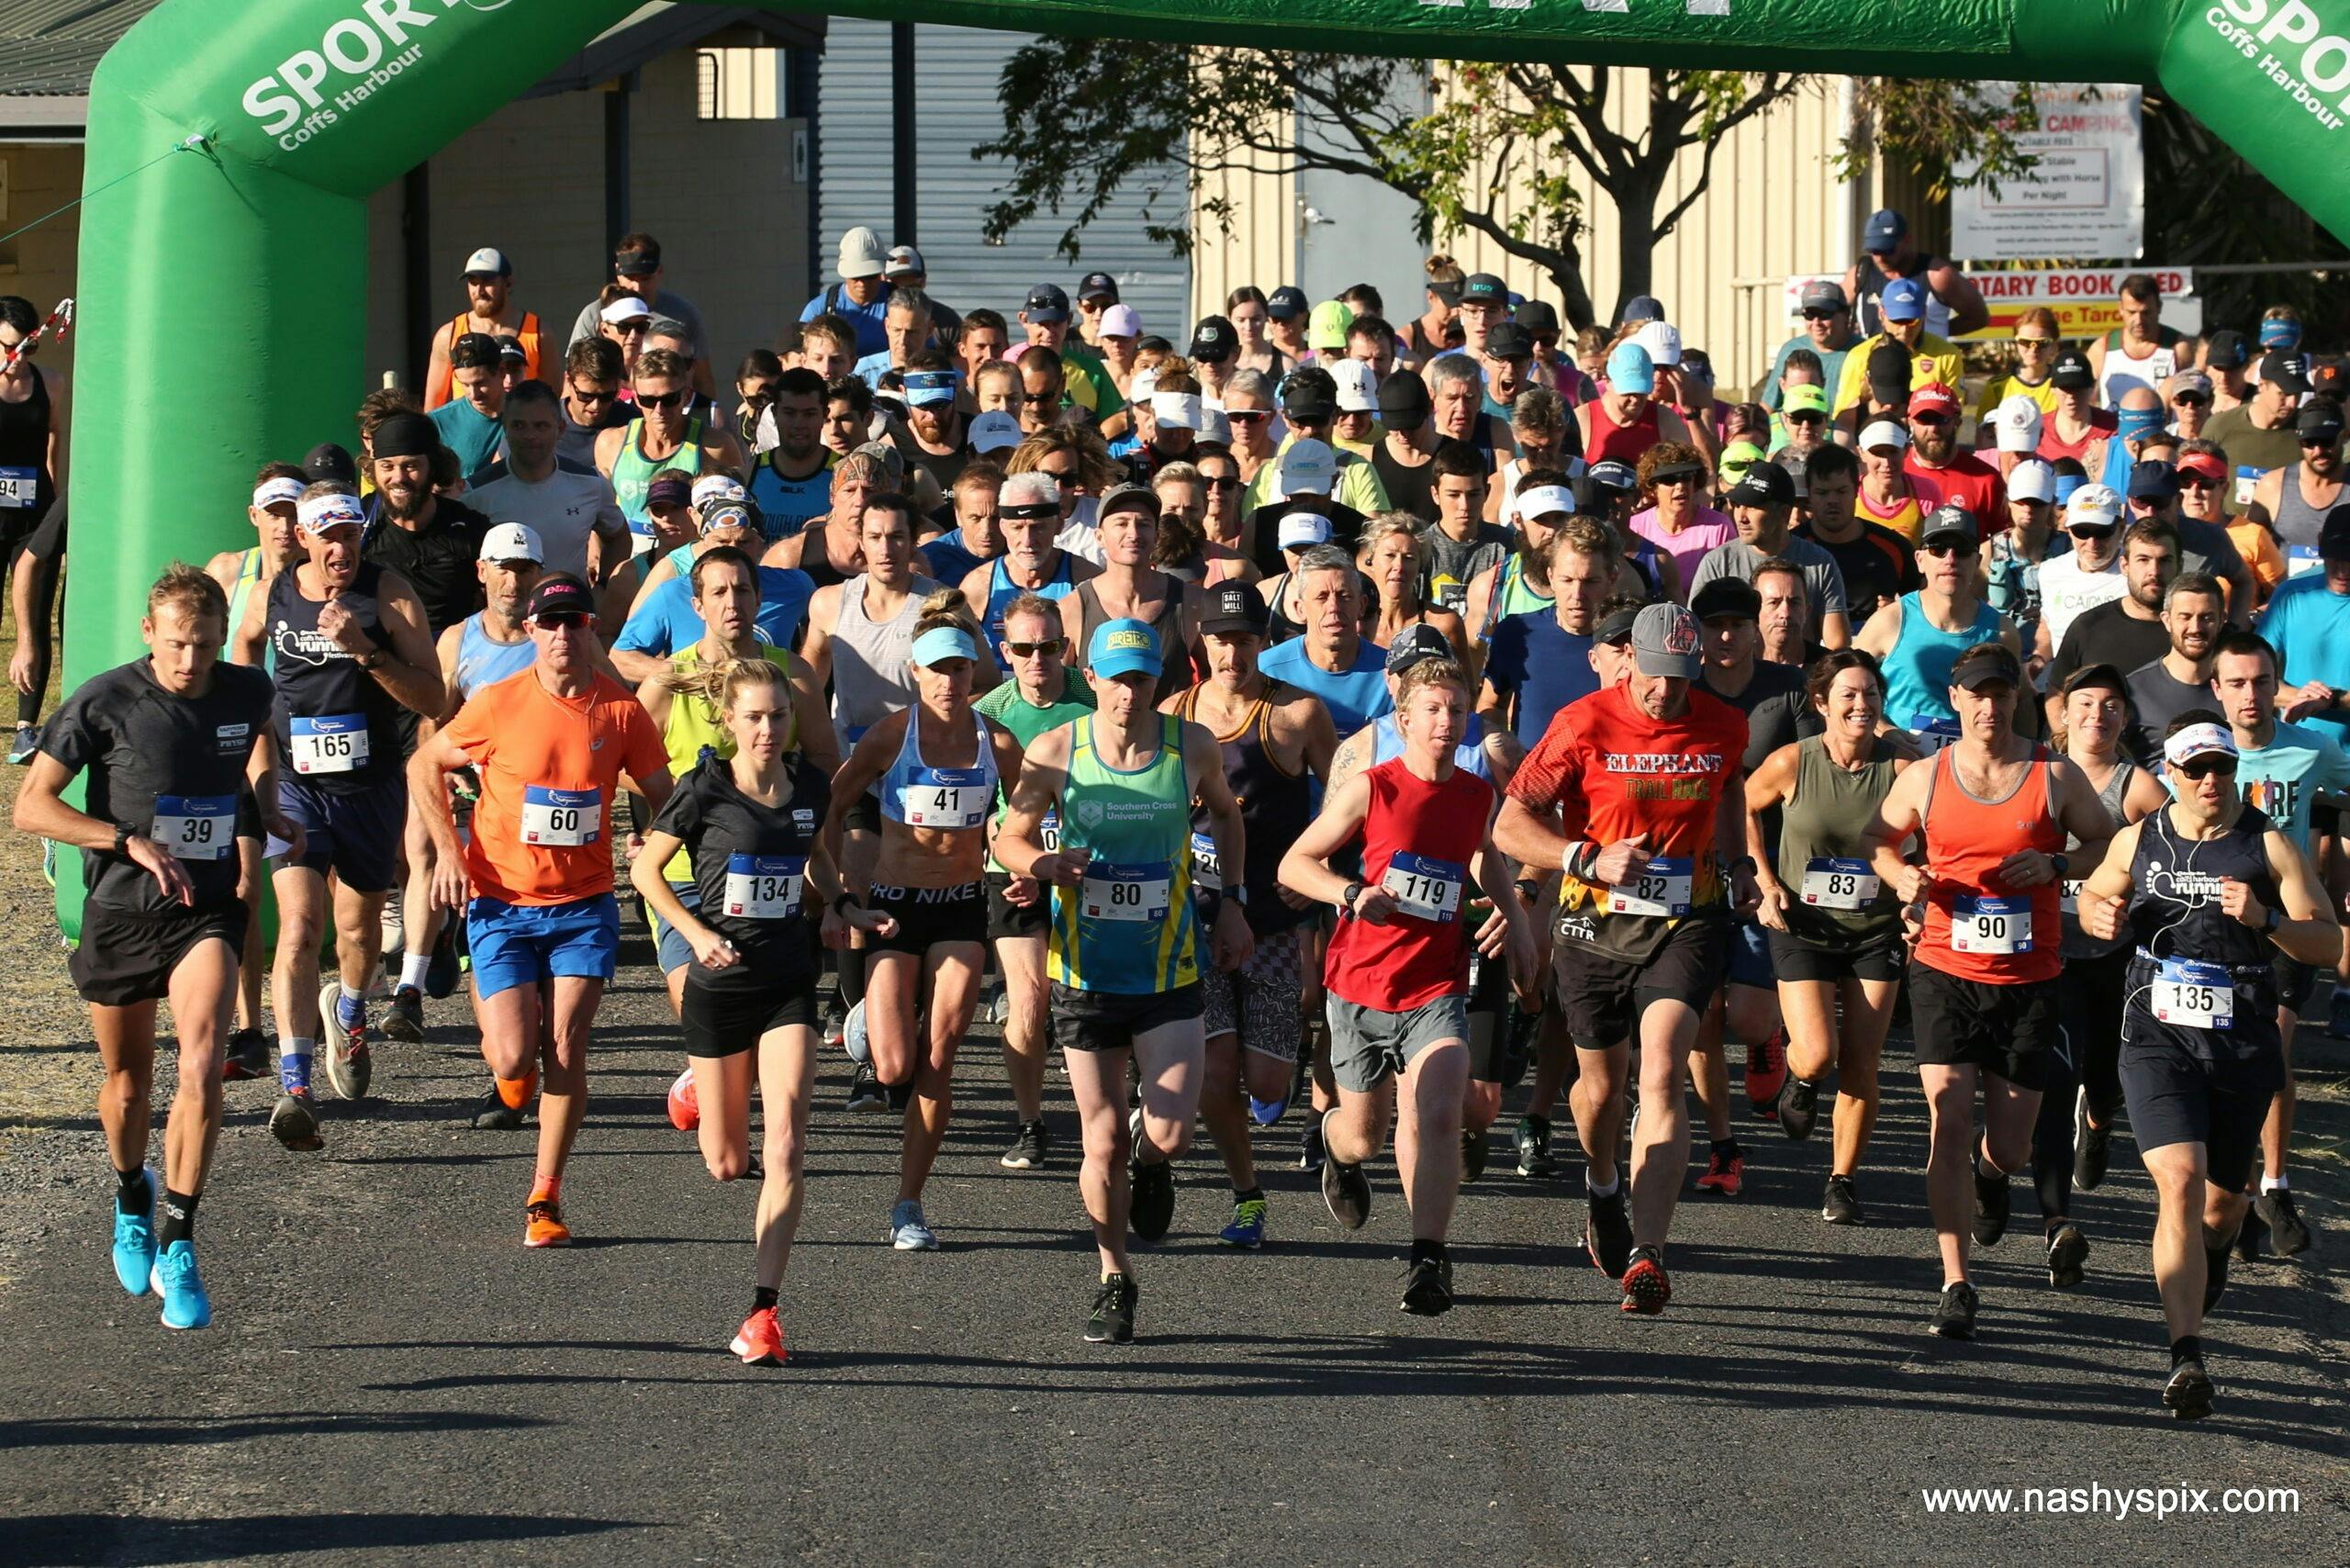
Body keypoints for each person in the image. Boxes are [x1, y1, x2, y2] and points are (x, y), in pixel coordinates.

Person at [16, 566, 297, 1329]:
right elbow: (31, 808)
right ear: (149, 633)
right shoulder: (105, 700)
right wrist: (125, 841)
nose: (190, 661)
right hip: (120, 913)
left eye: (204, 645)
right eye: (176, 644)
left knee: (201, 1062)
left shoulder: (246, 690)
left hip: (203, 910)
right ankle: (130, 1192)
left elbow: (257, 748)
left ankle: (179, 1237)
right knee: (128, 1087)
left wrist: (268, 807)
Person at [1494, 602, 1760, 1314]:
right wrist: (1585, 857)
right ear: (1630, 660)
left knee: (1664, 1071)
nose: (1665, 690)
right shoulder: (1583, 723)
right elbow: (1511, 825)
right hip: (1594, 926)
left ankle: (1649, 1251)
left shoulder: (1724, 725)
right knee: (1602, 1093)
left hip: (1686, 922)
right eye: (1653, 674)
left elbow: (1729, 788)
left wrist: (1737, 863)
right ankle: (1603, 1183)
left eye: (1680, 677)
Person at [993, 618, 1252, 1342]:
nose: (1128, 694)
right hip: (1086, 972)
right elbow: (1009, 835)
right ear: (1093, 678)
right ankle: (1115, 1276)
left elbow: (1228, 818)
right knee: (1098, 1141)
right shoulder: (1056, 750)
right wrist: (1041, 864)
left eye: (1140, 680)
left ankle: (1152, 1158)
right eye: (1116, 680)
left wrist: (1233, 902)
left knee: (1171, 1133)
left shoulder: (1191, 746)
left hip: (1168, 968)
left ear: (1155, 682)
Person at [2076, 715, 2339, 1417]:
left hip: (2240, 1044)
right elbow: (2095, 892)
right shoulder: (2141, 838)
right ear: (2171, 774)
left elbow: (2328, 943)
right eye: (2195, 769)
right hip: (2156, 1036)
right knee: (2181, 1180)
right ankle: (2186, 1355)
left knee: (2221, 1208)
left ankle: (2215, 1254)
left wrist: (2268, 921)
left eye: (2221, 766)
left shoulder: (2267, 844)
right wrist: (2097, 914)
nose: (2210, 780)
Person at [409, 574, 675, 1247]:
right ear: (530, 631)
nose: (562, 634)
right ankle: (510, 1074)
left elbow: (666, 797)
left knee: (567, 1046)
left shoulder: (621, 711)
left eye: (574, 621)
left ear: (591, 629)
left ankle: (545, 1195)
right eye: (549, 622)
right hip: (501, 902)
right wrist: (449, 853)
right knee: (510, 1056)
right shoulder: (497, 703)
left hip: (583, 906)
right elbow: (423, 765)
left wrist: (655, 838)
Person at [1862, 642, 2114, 1338]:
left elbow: (2106, 845)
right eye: (1977, 694)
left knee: (2011, 1145)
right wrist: (1899, 873)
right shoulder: (1926, 776)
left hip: (2029, 981)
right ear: (1956, 700)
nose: (1989, 707)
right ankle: (1956, 1281)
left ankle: (1992, 1175)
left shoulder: (2054, 774)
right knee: (1947, 1118)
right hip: (1944, 970)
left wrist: (2057, 864)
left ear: (2016, 700)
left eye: (2001, 694)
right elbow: (1877, 837)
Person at [1280, 655, 1535, 1314]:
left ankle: (1429, 1258)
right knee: (1365, 1134)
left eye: (1457, 710)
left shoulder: (1476, 793)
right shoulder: (1373, 788)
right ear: (1404, 719)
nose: (1447, 721)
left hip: (1435, 987)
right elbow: (1295, 863)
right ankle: (1337, 1148)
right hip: (1361, 984)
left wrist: (1516, 922)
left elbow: (1483, 852)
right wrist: (1349, 893)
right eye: (1433, 709)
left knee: (1440, 1111)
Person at [632, 657, 859, 1366]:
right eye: (754, 717)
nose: (767, 729)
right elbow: (643, 870)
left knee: (786, 1144)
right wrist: (695, 933)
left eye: (779, 716)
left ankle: (764, 1313)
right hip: (720, 987)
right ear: (729, 720)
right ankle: (696, 1089)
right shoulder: (704, 788)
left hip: (788, 981)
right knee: (729, 1163)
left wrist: (843, 903)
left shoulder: (810, 786)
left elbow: (815, 857)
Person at [229, 485, 442, 1137]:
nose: (341, 549)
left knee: (357, 931)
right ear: (303, 539)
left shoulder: (389, 595)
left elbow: (434, 698)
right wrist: (256, 742)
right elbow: (243, 654)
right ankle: (295, 1086)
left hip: (370, 788)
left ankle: (349, 1012)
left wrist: (365, 651)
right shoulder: (271, 594)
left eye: (351, 535)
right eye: (328, 537)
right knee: (298, 927)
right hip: (297, 785)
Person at [822, 593, 1026, 1249]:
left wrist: (1023, 863)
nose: (948, 682)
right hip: (896, 910)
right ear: (915, 672)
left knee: (939, 1055)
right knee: (891, 1068)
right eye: (936, 670)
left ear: (973, 673)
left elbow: (1026, 817)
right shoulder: (892, 735)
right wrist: (836, 888)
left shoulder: (998, 742)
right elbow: (834, 805)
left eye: (959, 669)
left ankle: (909, 1203)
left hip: (961, 908)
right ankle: (873, 1021)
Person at [1171, 585, 1335, 1247]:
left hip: (1272, 916)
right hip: (1195, 920)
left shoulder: (1297, 713)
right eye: (1220, 641)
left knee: (1265, 1080)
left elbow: (1345, 801)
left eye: (1244, 640)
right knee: (1216, 1073)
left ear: (1263, 642)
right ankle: (1247, 1195)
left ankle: (1280, 1073)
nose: (1231, 655)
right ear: (1202, 642)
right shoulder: (1174, 715)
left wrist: (1316, 875)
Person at [636, 546, 839, 1034]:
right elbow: (622, 762)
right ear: (697, 605)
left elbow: (824, 760)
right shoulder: (670, 680)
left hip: (769, 862)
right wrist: (676, 802)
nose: (733, 603)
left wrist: (798, 822)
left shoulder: (791, 674)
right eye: (719, 592)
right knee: (694, 995)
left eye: (743, 590)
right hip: (686, 869)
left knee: (764, 1008)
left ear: (759, 598)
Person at [1744, 650, 1913, 1223]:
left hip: (1875, 930)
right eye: (1848, 695)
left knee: (1863, 1062)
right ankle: (1800, 1075)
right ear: (1821, 704)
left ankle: (1843, 1180)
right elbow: (1740, 806)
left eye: (1870, 694)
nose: (1861, 705)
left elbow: (1934, 828)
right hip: (1804, 927)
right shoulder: (1793, 761)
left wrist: (1917, 893)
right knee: (1819, 1054)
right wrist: (1764, 880)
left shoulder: (1902, 768)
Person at [2203, 629, 2348, 1261]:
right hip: (2216, 924)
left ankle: (2275, 1184)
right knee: (2224, 1062)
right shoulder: (2197, 755)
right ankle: (2235, 1187)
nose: (2250, 695)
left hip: (2286, 924)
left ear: (2277, 685)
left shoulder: (2312, 749)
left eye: (2262, 682)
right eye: (2236, 683)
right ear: (2216, 689)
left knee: (2272, 1046)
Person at [2028, 664, 2170, 1287]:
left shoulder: (2137, 787)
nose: (2098, 716)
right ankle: (2057, 1221)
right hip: (2048, 952)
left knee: (2106, 1075)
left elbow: (2179, 852)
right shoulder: (2037, 772)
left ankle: (2101, 1120)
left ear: (2126, 717)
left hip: (2116, 955)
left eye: (2112, 705)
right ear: (2062, 712)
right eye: (2086, 703)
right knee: (2055, 1081)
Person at [388, 523, 548, 1052]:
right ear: (481, 572)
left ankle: (466, 946)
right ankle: (409, 987)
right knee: (421, 842)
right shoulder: (459, 638)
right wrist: (446, 773)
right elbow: (434, 717)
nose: (512, 583)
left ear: (539, 575)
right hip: (467, 776)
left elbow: (605, 703)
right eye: (503, 569)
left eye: (524, 570)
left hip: (530, 792)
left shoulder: (556, 636)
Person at [974, 595, 1099, 1170]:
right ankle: (1030, 1123)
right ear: (1005, 652)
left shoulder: (1095, 700)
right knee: (1028, 1001)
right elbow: (975, 806)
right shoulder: (988, 713)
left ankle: (1111, 1114)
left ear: (1065, 647)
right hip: (1014, 869)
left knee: (1096, 999)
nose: (1037, 659)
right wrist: (1011, 852)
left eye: (1048, 646)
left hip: (1090, 868)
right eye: (1023, 648)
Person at [1854, 505, 2012, 749]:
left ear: (1978, 561)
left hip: (1974, 764)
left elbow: (2019, 706)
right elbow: (1843, 685)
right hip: (1898, 761)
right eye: (1938, 549)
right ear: (1920, 560)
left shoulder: (2002, 631)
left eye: (1962, 550)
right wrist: (1885, 730)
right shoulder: (1889, 621)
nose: (1950, 559)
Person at [1477, 519, 1611, 768]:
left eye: (1590, 581)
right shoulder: (1516, 633)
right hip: (1531, 784)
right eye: (1567, 580)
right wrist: (1503, 764)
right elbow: (1490, 705)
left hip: (1603, 785)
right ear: (1551, 577)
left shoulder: (1630, 642)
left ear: (1612, 578)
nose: (1577, 595)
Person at [465, 382, 631, 582]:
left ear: (560, 429)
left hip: (570, 601)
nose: (530, 436)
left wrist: (604, 587)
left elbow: (618, 537)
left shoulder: (591, 484)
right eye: (519, 425)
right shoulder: (475, 493)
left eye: (541, 426)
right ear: (505, 428)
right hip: (507, 602)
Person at [1686, 461, 1852, 647]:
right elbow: (1695, 636)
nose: (1741, 517)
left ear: (1784, 513)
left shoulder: (1820, 563)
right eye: (1737, 505)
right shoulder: (1718, 562)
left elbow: (1837, 645)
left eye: (1753, 506)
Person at [1061, 485, 1200, 706]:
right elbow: (1057, 691)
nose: (1134, 534)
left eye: (1143, 524)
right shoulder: (1073, 608)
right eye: (1122, 523)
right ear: (1099, 536)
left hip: (1171, 727)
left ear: (1157, 536)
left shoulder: (1192, 602)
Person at [596, 348, 744, 554]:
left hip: (691, 556)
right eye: (648, 400)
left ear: (686, 395)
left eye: (669, 399)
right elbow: (597, 512)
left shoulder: (715, 446)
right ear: (636, 398)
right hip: (628, 554)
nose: (659, 410)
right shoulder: (610, 443)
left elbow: (736, 514)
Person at [2046, 521, 2182, 730]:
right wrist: (2067, 743)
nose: (2154, 571)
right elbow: (2057, 694)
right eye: (2143, 560)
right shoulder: (2089, 627)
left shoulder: (2193, 632)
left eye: (2165, 560)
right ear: (2124, 566)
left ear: (2180, 566)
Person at [1259, 544, 1393, 738]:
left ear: (1362, 605)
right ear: (1300, 609)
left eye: (1344, 596)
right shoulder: (1267, 671)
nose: (1334, 607)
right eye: (1321, 597)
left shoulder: (1393, 673)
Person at [566, 232, 715, 398]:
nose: (637, 287)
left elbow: (703, 379)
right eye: (630, 278)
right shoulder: (594, 314)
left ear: (659, 271)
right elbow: (574, 376)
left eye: (645, 278)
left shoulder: (684, 314)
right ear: (617, 272)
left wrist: (708, 411)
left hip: (667, 405)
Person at [962, 471, 1098, 649]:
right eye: (1017, 528)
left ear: (1059, 525)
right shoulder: (979, 585)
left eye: (1038, 527)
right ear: (1003, 527)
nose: (1027, 541)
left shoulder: (1086, 580)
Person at [1796, 442, 1917, 629]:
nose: (1832, 501)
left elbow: (1921, 612)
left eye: (1841, 491)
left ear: (1856, 489)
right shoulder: (1791, 548)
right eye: (1822, 493)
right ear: (1809, 493)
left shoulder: (1894, 548)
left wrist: (1898, 613)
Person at [2122, 574, 2226, 761]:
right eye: (2185, 617)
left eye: (2207, 618)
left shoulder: (2237, 688)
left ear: (2222, 620)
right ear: (2167, 620)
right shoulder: (2132, 691)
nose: (2195, 628)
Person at [1845, 207, 1989, 339]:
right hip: (1874, 358)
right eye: (1874, 250)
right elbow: (1836, 315)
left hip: (1927, 358)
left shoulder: (1937, 275)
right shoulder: (1860, 273)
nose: (1881, 258)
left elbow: (1978, 318)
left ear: (1906, 240)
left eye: (1888, 249)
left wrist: (1933, 334)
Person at [1831, 279, 1964, 420]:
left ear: (1924, 313)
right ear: (1882, 314)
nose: (1905, 329)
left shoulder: (1948, 355)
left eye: (1912, 321)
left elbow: (1954, 415)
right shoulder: (1858, 356)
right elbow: (1843, 415)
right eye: (1897, 320)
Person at [2035, 483, 2127, 666]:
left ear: (2121, 528)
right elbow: (2048, 624)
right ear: (2069, 531)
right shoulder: (2050, 571)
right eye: (2082, 532)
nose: (2092, 542)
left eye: (2102, 531)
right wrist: (2037, 659)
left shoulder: (2138, 573)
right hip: (2065, 675)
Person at [2247, 400, 2344, 572]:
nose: (2318, 451)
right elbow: (2246, 546)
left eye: (2327, 441)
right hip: (2285, 588)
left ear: (2343, 437)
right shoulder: (2273, 485)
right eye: (2309, 442)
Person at [2206, 353, 2311, 512]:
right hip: (2230, 526)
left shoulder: (2308, 431)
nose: (2292, 403)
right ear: (2262, 385)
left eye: (2298, 394)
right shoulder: (2221, 426)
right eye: (2284, 394)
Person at [1358, 513, 1468, 664]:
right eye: (1390, 555)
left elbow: (1464, 679)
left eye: (1409, 558)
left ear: (1421, 566)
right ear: (1370, 561)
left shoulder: (1444, 625)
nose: (1399, 566)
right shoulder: (1353, 623)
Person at [1629, 442, 1734, 595]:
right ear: (1652, 488)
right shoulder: (1635, 527)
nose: (1680, 486)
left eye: (1686, 477)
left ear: (1695, 482)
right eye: (1669, 479)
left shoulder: (1719, 527)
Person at [1577, 342, 1697, 468]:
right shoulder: (1582, 420)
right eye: (1628, 392)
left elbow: (1687, 471)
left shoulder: (1666, 420)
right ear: (1607, 382)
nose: (1635, 400)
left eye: (1641, 392)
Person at [1903, 383, 2006, 523]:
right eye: (1924, 419)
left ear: (1957, 422)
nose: (1933, 428)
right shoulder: (1891, 472)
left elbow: (2004, 534)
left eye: (1941, 419)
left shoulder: (1986, 480)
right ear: (1910, 422)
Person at [2090, 274, 2189, 408]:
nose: (2139, 321)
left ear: (2159, 307)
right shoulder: (2102, 349)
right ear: (2120, 308)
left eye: (2146, 313)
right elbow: (2087, 401)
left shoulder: (2178, 347)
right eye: (2132, 312)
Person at [1763, 280, 1857, 415]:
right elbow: (1768, 407)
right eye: (1810, 315)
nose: (1816, 322)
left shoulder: (1863, 351)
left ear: (1846, 315)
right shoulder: (1791, 350)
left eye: (1825, 314)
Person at [429, 332, 509, 481]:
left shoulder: (529, 414)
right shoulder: (438, 423)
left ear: (502, 371)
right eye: (465, 385)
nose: (473, 394)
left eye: (480, 383)